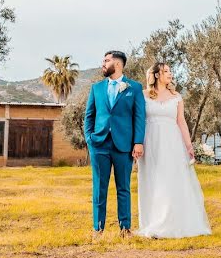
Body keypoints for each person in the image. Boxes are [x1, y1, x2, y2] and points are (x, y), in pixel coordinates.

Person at [136, 62, 211, 239]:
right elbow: (138, 120)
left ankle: (174, 222)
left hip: (172, 142)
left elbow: (181, 122)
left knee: (171, 179)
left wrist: (189, 145)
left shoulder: (176, 96)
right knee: (152, 180)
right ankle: (153, 222)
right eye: (166, 71)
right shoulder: (143, 95)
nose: (170, 74)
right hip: (151, 142)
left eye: (170, 71)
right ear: (156, 75)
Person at [83, 50, 145, 240]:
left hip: (123, 145)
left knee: (123, 188)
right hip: (99, 144)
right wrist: (90, 139)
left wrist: (138, 142)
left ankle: (125, 229)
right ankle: (98, 229)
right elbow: (89, 116)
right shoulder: (97, 88)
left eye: (106, 60)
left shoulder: (134, 88)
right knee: (99, 188)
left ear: (117, 64)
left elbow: (139, 117)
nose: (103, 63)